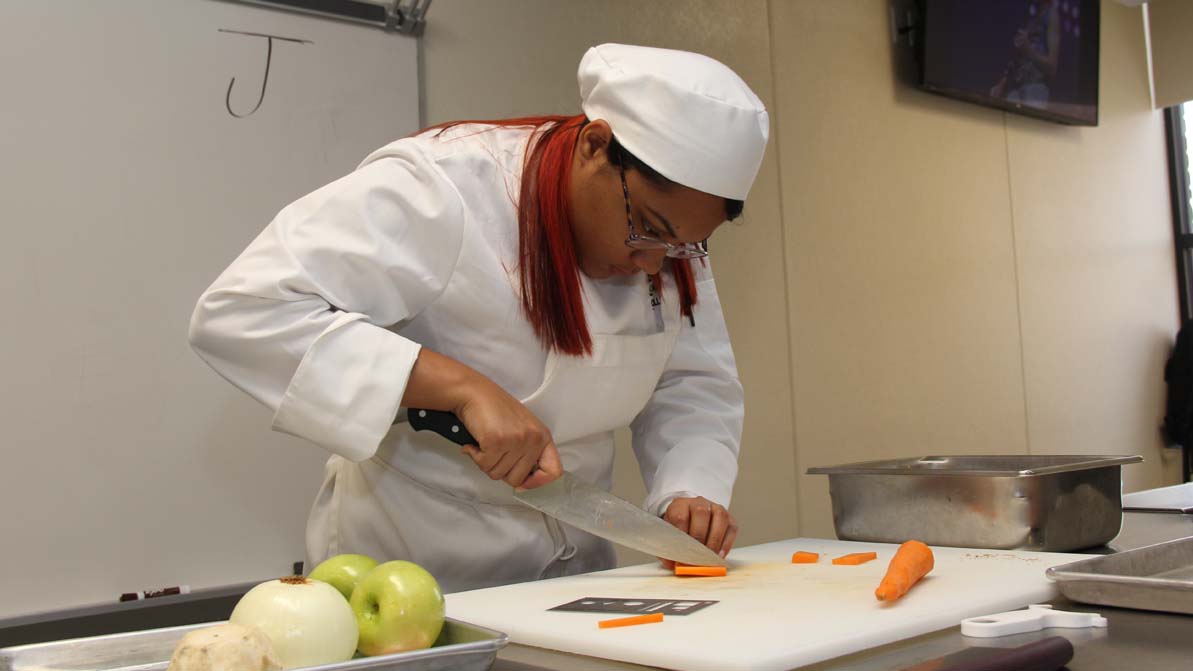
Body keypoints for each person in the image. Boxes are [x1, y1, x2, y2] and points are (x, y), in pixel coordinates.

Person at [188, 43, 769, 592]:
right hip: (412, 574)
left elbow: (692, 381)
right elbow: (243, 310)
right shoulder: (442, 188)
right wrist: (459, 387)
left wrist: (689, 489)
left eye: (680, 248)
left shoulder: (664, 244)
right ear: (595, 145)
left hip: (577, 579)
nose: (651, 264)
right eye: (648, 231)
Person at [989, 0, 1061, 107]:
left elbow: (1052, 67)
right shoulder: (1031, 18)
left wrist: (1029, 51)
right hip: (1016, 89)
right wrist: (1002, 84)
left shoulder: (1052, 16)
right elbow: (1017, 58)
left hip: (1035, 89)